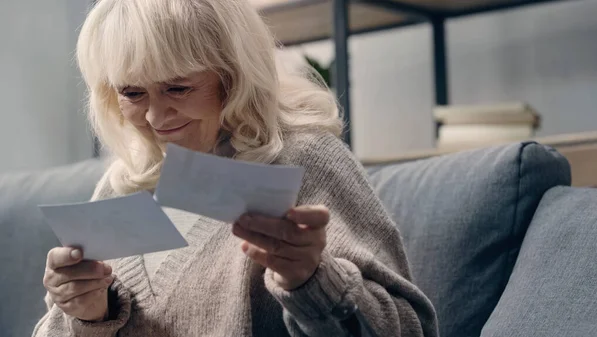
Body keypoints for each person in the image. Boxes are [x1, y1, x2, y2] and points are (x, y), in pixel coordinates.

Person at [32, 0, 438, 336]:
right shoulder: (125, 181)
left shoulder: (304, 161)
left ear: (234, 74)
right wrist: (86, 316)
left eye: (178, 87)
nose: (155, 117)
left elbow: (406, 328)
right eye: (132, 93)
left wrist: (314, 280)